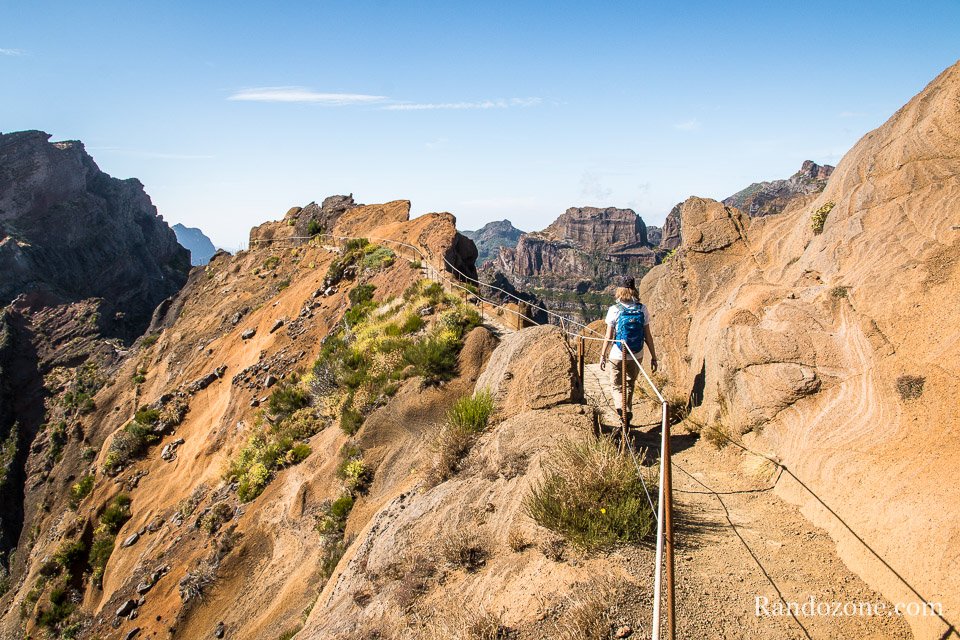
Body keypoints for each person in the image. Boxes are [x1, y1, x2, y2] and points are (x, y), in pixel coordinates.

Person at [599, 278, 658, 427]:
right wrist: (653, 356)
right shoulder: (642, 309)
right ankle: (628, 411)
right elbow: (648, 335)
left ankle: (622, 410)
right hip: (637, 354)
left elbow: (609, 336)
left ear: (619, 290)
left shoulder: (615, 309)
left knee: (616, 386)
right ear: (634, 289)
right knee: (630, 384)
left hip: (617, 354)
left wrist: (602, 355)